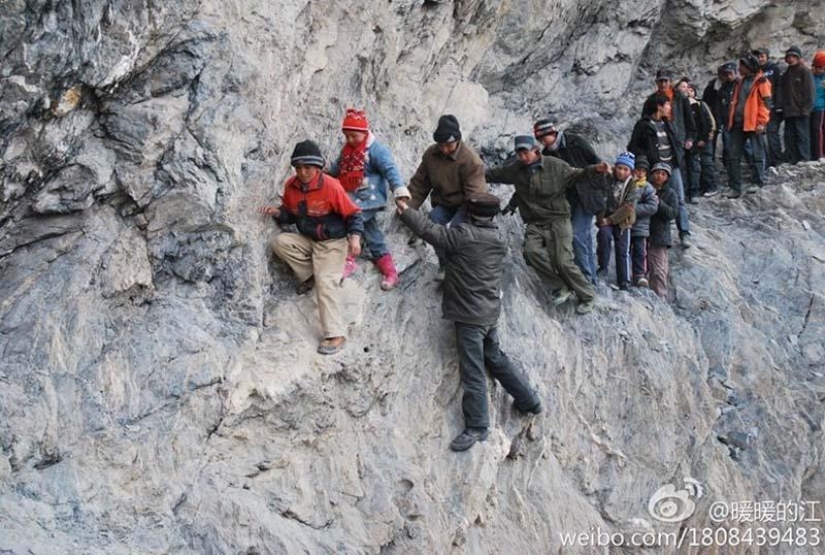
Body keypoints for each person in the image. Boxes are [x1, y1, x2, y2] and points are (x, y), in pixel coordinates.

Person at [396, 193, 542, 452]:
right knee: (495, 357)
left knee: (473, 370)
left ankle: (477, 426)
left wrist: (406, 211)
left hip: (469, 316)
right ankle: (529, 400)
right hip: (489, 312)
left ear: (470, 213)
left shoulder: (464, 236)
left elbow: (430, 231)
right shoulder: (499, 238)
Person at [486, 135, 610, 314]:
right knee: (531, 253)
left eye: (525, 152)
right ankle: (561, 285)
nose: (522, 156)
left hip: (558, 219)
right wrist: (470, 170)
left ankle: (588, 295)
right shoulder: (515, 169)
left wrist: (596, 169)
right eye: (519, 153)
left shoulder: (555, 165)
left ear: (535, 150)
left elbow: (578, 174)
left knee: (562, 261)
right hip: (535, 222)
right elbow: (493, 174)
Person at [262, 140, 365, 355]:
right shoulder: (291, 186)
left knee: (326, 283)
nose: (302, 172)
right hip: (309, 239)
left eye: (307, 167)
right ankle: (310, 275)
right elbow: (290, 214)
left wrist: (354, 238)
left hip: (332, 243)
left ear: (317, 168)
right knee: (280, 243)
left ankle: (336, 334)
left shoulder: (331, 186)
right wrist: (277, 213)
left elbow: (353, 213)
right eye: (298, 167)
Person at [328, 108, 409, 290]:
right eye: (347, 136)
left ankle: (348, 259)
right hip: (352, 196)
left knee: (351, 220)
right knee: (372, 234)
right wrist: (324, 175)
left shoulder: (377, 150)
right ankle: (390, 271)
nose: (350, 140)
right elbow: (337, 169)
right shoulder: (347, 150)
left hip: (370, 198)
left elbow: (390, 170)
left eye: (354, 136)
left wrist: (399, 190)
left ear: (364, 132)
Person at [407, 115, 488, 281]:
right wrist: (408, 208)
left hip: (467, 203)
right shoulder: (431, 154)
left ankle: (459, 268)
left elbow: (475, 195)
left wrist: (470, 219)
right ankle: (444, 264)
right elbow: (420, 184)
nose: (444, 149)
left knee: (456, 233)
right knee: (433, 223)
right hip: (444, 201)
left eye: (449, 145)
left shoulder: (471, 161)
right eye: (441, 145)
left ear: (457, 140)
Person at [533, 119, 605, 285]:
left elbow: (597, 164)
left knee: (577, 235)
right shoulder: (548, 155)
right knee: (584, 238)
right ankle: (592, 280)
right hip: (569, 200)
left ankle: (585, 280)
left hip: (588, 197)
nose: (542, 142)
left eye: (544, 138)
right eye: (540, 140)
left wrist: (600, 194)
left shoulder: (576, 142)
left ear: (551, 133)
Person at [627, 94, 691, 248]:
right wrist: (644, 162)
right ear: (659, 106)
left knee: (679, 200)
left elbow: (674, 143)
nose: (669, 108)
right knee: (649, 199)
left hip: (672, 167)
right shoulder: (643, 125)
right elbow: (633, 147)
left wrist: (679, 157)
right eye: (667, 105)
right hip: (654, 168)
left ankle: (684, 233)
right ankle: (645, 235)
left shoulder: (667, 123)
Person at [643, 69, 695, 247]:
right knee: (651, 197)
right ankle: (651, 235)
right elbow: (643, 127)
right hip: (656, 160)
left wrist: (689, 138)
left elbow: (689, 120)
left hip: (674, 153)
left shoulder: (680, 97)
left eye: (666, 81)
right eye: (660, 81)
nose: (663, 84)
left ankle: (684, 232)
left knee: (678, 197)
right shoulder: (651, 101)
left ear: (670, 81)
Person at [725, 54, 772, 198]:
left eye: (742, 66)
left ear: (749, 67)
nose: (739, 68)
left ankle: (757, 182)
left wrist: (762, 122)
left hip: (753, 124)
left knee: (757, 154)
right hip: (738, 124)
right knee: (733, 155)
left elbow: (766, 104)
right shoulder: (740, 82)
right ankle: (734, 188)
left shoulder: (762, 82)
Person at [596, 153, 640, 290]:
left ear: (630, 171)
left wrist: (610, 220)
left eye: (625, 169)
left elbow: (628, 208)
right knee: (604, 237)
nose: (621, 172)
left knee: (622, 250)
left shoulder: (633, 186)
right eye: (619, 168)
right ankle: (602, 267)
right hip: (606, 216)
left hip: (622, 221)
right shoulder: (608, 179)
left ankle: (624, 280)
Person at [676, 79, 717, 200]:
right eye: (684, 87)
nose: (687, 91)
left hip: (696, 139)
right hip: (685, 139)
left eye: (689, 89)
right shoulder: (677, 103)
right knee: (686, 166)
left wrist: (705, 137)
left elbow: (706, 122)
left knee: (700, 164)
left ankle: (698, 190)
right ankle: (687, 191)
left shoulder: (698, 104)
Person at [647, 163, 679, 298]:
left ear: (667, 177)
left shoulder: (670, 193)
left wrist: (659, 203)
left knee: (659, 270)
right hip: (642, 232)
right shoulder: (645, 188)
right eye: (657, 172)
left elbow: (672, 213)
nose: (659, 176)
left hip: (660, 235)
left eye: (663, 174)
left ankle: (660, 298)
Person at [781, 46, 815, 164]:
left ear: (798, 58)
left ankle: (804, 158)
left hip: (801, 111)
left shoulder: (805, 71)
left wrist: (806, 109)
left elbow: (810, 92)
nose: (791, 59)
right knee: (789, 137)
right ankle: (792, 158)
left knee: (802, 135)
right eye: (789, 57)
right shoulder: (786, 74)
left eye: (793, 56)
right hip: (789, 111)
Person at [629, 156, 659, 288]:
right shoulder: (627, 184)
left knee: (640, 251)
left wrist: (632, 210)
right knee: (624, 251)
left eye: (643, 171)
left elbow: (652, 206)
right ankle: (626, 274)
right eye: (637, 170)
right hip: (626, 225)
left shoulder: (648, 188)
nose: (640, 173)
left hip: (641, 227)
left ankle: (640, 275)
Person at [754, 48, 785, 167]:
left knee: (772, 134)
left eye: (762, 56)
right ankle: (765, 161)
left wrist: (778, 105)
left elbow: (779, 87)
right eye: (758, 57)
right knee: (760, 136)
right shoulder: (755, 72)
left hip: (772, 107)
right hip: (758, 109)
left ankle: (777, 160)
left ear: (767, 57)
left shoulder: (774, 69)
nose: (760, 59)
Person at [810, 51, 825, 160]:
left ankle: (819, 155)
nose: (819, 69)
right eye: (817, 67)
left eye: (821, 67)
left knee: (817, 130)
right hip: (810, 108)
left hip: (820, 107)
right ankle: (814, 154)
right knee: (813, 131)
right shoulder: (810, 75)